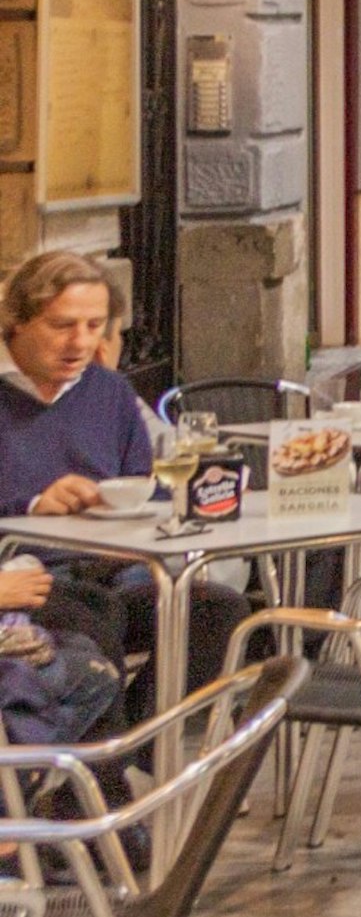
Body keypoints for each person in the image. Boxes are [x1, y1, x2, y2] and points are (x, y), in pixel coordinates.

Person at [0, 250, 249, 724]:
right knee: (98, 617)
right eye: (63, 325)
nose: (82, 343)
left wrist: (128, 514)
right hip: (27, 574)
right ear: (17, 322)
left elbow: (146, 488)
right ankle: (101, 788)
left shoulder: (108, 391)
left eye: (95, 326)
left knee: (219, 610)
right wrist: (32, 503)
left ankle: (142, 749)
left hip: (109, 564)